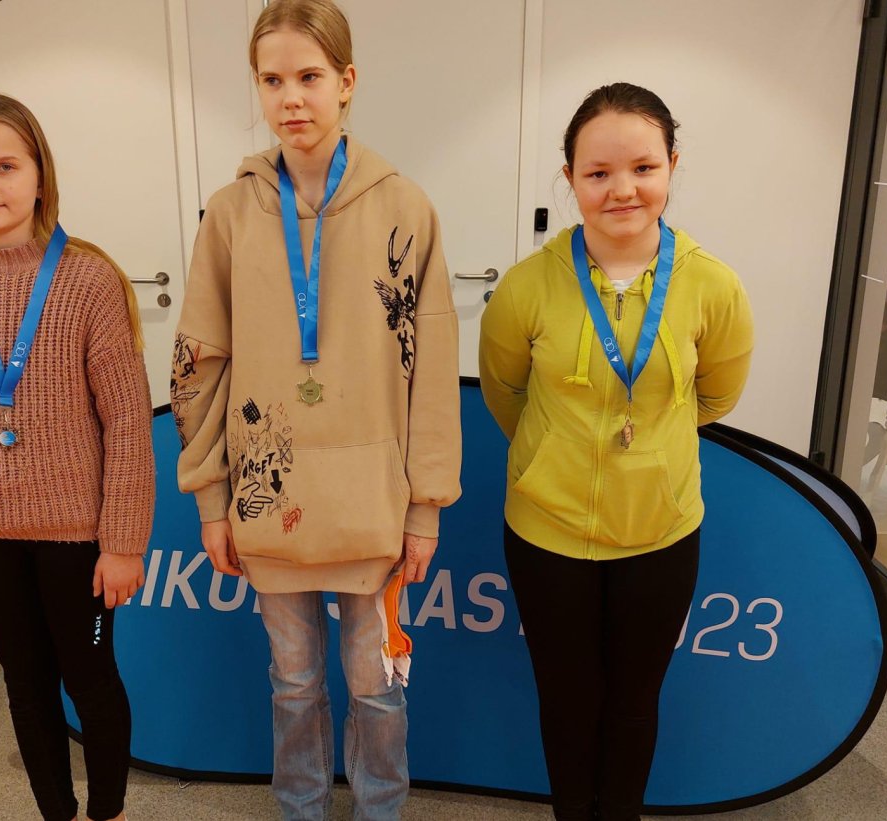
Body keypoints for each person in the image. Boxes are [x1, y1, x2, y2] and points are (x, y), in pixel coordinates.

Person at [170, 1, 462, 817]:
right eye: (272, 80)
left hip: (374, 501)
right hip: (270, 498)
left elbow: (433, 372)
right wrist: (212, 498)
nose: (290, 97)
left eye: (308, 76)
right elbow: (200, 363)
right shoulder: (231, 214)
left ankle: (380, 809)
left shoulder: (405, 208)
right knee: (293, 681)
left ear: (347, 81)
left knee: (377, 686)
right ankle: (300, 808)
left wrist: (426, 507)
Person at [478, 82, 754, 821]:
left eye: (643, 168)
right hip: (546, 532)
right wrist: (555, 455)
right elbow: (505, 395)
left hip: (660, 533)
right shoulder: (526, 287)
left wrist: (648, 452)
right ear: (570, 178)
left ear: (671, 166)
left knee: (635, 701)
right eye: (598, 173)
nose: (622, 189)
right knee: (566, 700)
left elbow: (716, 397)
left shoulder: (713, 287)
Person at [0, 93, 154, 821]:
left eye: (5, 166)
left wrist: (123, 542)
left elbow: (127, 424)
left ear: (40, 176)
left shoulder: (87, 279)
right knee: (25, 683)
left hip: (79, 535)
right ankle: (57, 812)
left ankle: (107, 812)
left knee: (90, 678)